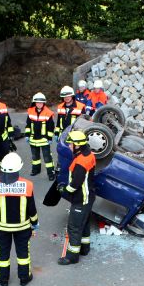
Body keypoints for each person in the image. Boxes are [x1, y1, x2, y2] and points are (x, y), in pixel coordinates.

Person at [0, 152, 38, 286]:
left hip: (3, 229)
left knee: (3, 253)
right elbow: (31, 208)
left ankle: (3, 279)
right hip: (23, 228)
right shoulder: (27, 185)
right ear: (18, 168)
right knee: (23, 252)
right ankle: (24, 278)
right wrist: (35, 223)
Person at [58, 130, 95, 265]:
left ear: (77, 145)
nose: (69, 146)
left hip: (81, 199)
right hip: (89, 197)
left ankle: (72, 257)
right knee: (83, 224)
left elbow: (75, 184)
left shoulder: (80, 162)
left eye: (71, 144)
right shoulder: (89, 154)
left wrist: (64, 190)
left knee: (74, 227)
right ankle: (84, 249)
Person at [24, 92, 56, 181]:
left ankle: (51, 173)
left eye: (41, 102)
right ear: (34, 103)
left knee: (47, 157)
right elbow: (28, 125)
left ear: (44, 103)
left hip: (44, 140)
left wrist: (49, 138)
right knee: (35, 157)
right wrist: (27, 135)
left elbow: (51, 127)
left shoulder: (48, 113)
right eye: (38, 102)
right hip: (33, 139)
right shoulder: (30, 111)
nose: (39, 104)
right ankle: (36, 170)